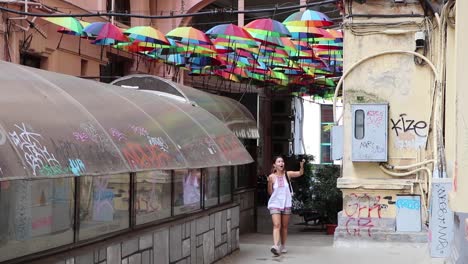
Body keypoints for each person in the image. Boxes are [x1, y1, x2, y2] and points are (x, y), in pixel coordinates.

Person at [267, 156, 305, 256]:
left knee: (284, 226)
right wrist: (269, 183)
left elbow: (300, 173)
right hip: (275, 203)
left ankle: (283, 245)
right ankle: (275, 246)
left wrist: (301, 166)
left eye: (282, 161)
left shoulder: (288, 174)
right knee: (277, 225)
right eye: (279, 161)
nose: (281, 163)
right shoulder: (271, 176)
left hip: (286, 203)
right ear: (274, 165)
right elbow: (270, 193)